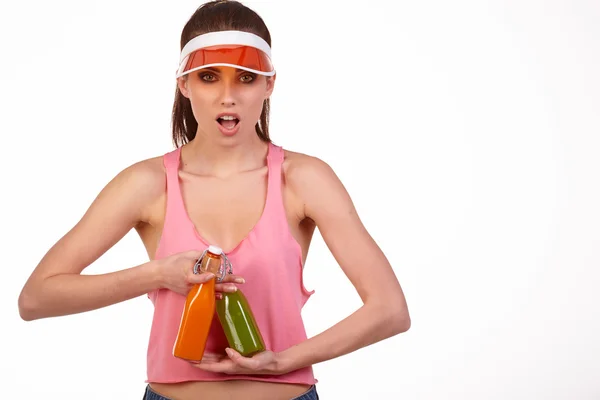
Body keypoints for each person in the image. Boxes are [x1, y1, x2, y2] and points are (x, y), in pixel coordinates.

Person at [17, 1, 411, 399]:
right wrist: (156, 275)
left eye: (245, 77)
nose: (228, 97)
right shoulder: (148, 183)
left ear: (269, 84)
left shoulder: (304, 180)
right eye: (208, 77)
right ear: (184, 84)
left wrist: (282, 361)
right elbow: (36, 298)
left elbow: (390, 310)